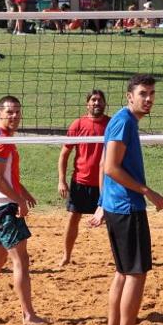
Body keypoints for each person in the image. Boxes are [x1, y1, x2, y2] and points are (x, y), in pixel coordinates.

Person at [88, 75, 163, 325]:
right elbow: (110, 167)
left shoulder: (124, 121)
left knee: (123, 273)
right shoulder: (123, 122)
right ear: (129, 97)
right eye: (143, 94)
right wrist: (148, 191)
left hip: (116, 206)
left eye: (151, 94)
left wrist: (101, 203)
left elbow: (103, 164)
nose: (148, 99)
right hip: (126, 207)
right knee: (135, 274)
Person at [0, 96, 46, 325]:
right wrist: (19, 201)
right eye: (9, 112)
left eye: (17, 112)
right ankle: (28, 315)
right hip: (3, 207)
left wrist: (23, 192)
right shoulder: (2, 141)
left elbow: (4, 175)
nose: (14, 116)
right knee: (21, 260)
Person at [57, 90, 109, 266]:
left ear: (104, 104)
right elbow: (64, 154)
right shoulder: (78, 124)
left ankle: (120, 257)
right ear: (87, 104)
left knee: (114, 219)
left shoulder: (110, 124)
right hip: (80, 182)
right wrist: (61, 180)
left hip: (105, 183)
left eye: (100, 100)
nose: (96, 103)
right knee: (73, 217)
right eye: (93, 100)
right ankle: (66, 256)